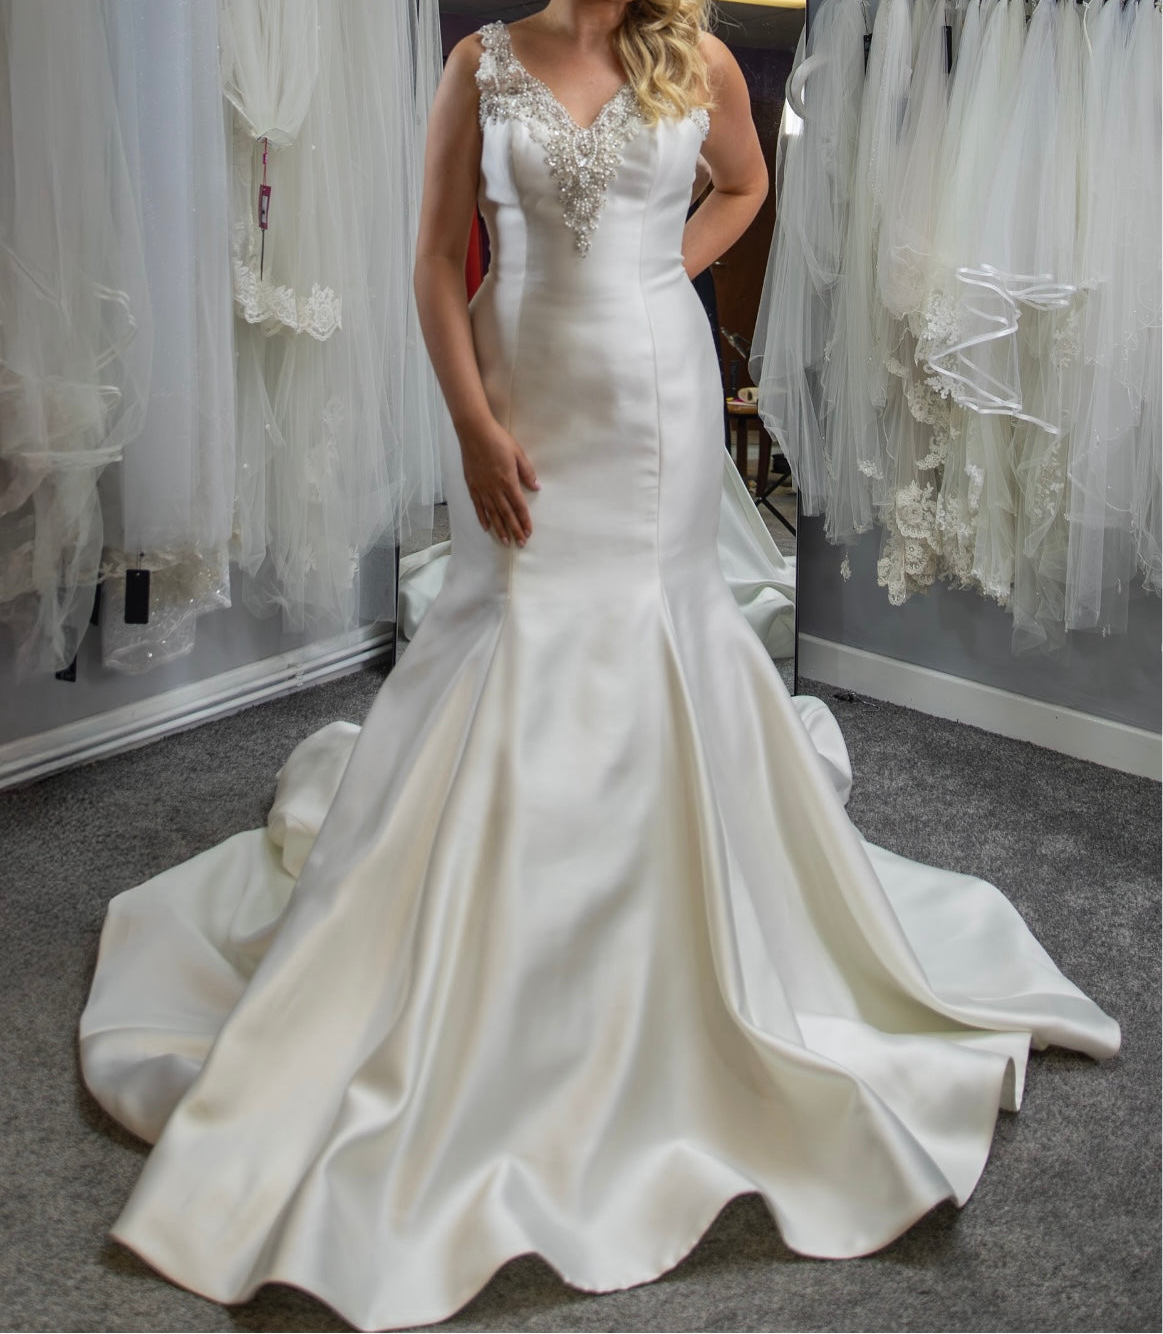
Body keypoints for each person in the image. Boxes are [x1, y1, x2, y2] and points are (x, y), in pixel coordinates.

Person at [80, 3, 1119, 1331]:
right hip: (518, 393)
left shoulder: (692, 62)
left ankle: (642, 969)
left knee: (645, 648)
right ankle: (485, 964)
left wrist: (658, 268)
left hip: (655, 400)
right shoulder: (479, 66)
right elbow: (424, 265)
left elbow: (745, 185)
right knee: (509, 639)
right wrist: (467, 425)